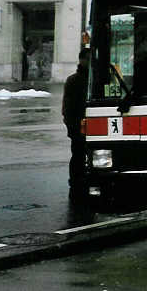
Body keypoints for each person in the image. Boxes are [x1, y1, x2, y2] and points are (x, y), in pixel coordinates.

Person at [62, 48, 90, 198]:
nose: (90, 62)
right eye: (87, 58)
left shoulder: (98, 78)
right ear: (81, 60)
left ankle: (80, 180)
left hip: (93, 124)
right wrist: (72, 127)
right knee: (78, 155)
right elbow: (67, 108)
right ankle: (76, 182)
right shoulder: (74, 80)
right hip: (78, 125)